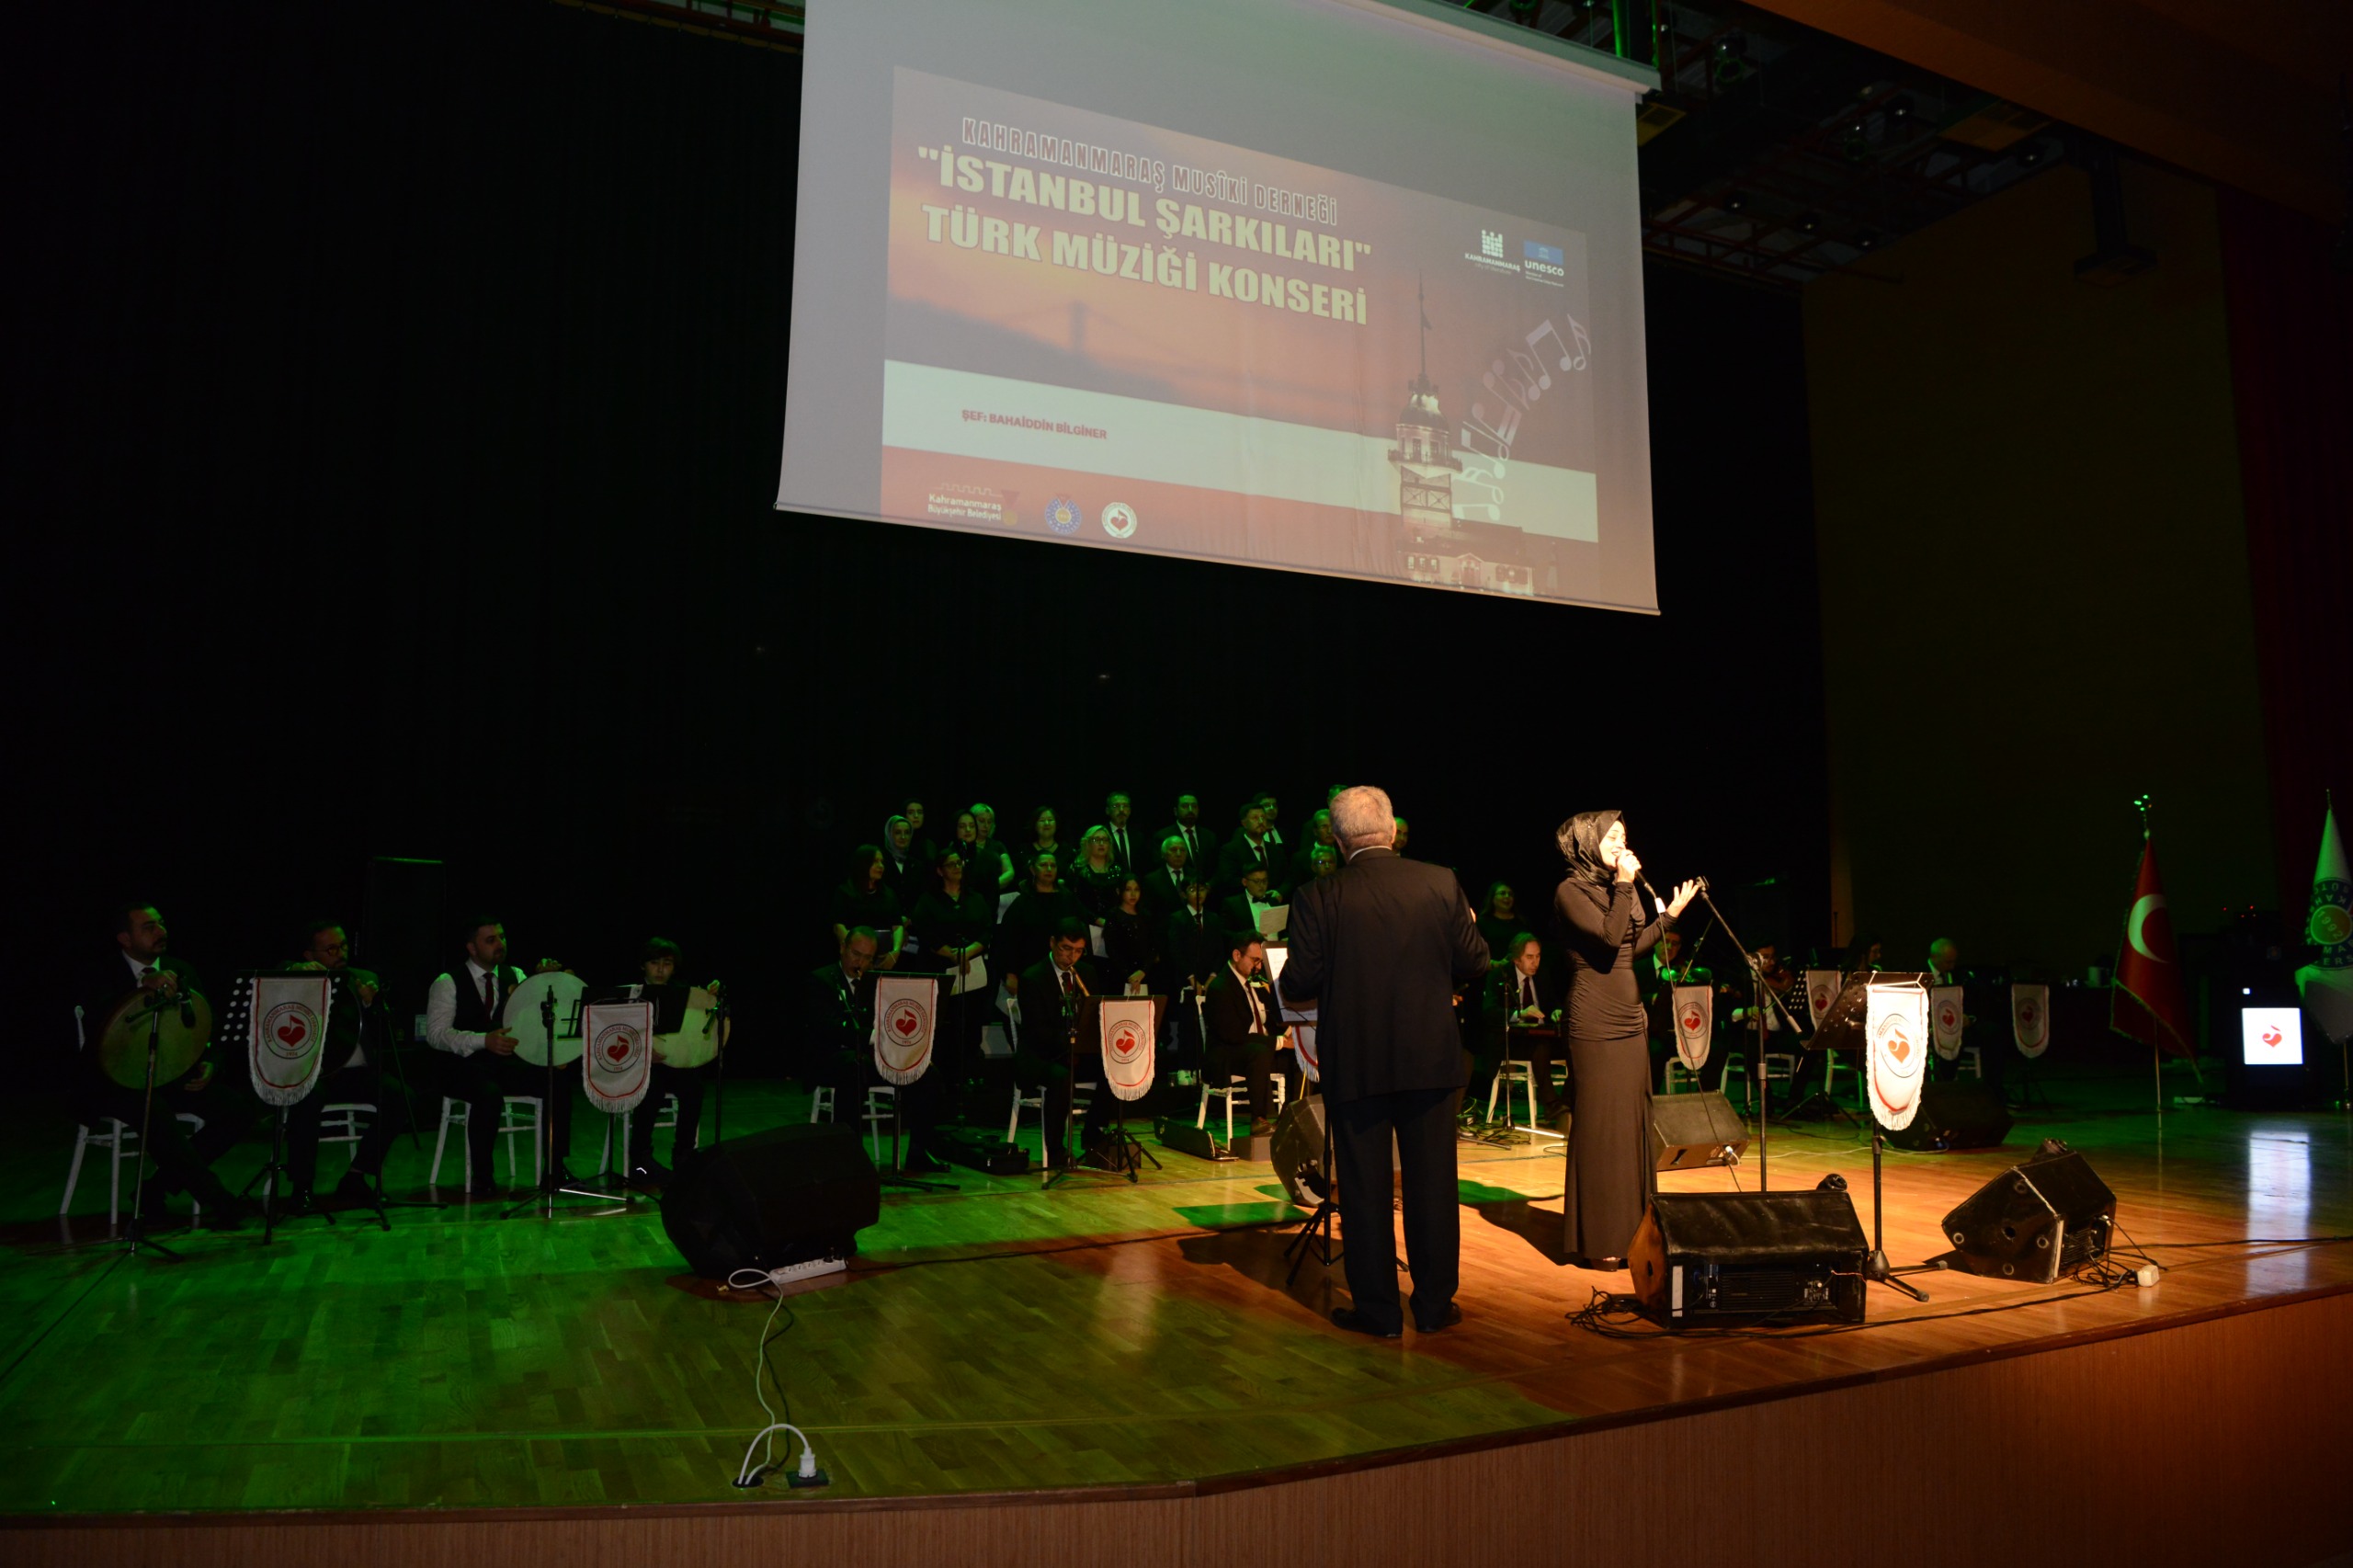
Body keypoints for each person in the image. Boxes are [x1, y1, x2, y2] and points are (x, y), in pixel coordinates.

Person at [1279, 785, 1489, 1338]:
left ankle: (1378, 1312)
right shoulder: (1440, 882)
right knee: (1433, 1185)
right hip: (1430, 1060)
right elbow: (1476, 961)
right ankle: (1434, 1305)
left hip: (1358, 1063)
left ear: (1337, 839)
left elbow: (1298, 982)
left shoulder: (1317, 895)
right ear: (1392, 830)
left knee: (1365, 1188)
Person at [1553, 812, 1699, 1270]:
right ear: (1588, 841)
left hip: (1630, 1019)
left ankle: (1633, 1229)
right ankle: (1599, 1237)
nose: (1621, 843)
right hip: (1595, 1020)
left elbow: (1630, 949)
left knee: (1632, 1126)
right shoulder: (1570, 890)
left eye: (1624, 836)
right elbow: (1608, 937)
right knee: (1602, 1129)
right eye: (1612, 836)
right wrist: (1623, 883)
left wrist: (1670, 916)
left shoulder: (1620, 887)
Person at [72, 901, 252, 1226]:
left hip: (171, 1075)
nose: (160, 931)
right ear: (125, 939)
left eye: (161, 923)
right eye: (148, 927)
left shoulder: (180, 969)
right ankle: (218, 1199)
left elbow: (207, 1026)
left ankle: (155, 1189)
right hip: (115, 1082)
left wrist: (211, 1062)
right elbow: (97, 1023)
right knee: (153, 1111)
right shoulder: (102, 972)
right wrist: (139, 987)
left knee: (237, 1109)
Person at [424, 915, 574, 1196]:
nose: (500, 944)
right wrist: (484, 1041)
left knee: (556, 1080)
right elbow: (436, 1034)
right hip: (462, 1066)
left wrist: (544, 983)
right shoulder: (448, 982)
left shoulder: (515, 975)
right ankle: (483, 1176)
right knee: (488, 1094)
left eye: (502, 937)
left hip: (504, 1063)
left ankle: (555, 1168)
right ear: (472, 947)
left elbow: (534, 1022)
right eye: (491, 940)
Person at [283, 919, 399, 1213]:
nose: (340, 954)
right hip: (317, 1074)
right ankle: (302, 1187)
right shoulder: (298, 977)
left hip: (358, 1072)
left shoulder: (363, 978)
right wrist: (296, 972)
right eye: (331, 949)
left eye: (343, 946)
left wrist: (373, 1006)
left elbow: (386, 1037)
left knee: (401, 1097)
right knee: (306, 1101)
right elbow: (278, 976)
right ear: (310, 955)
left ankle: (356, 1176)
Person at [619, 937, 721, 1187]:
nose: (661, 970)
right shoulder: (630, 993)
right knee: (651, 1089)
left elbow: (695, 1027)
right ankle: (640, 1160)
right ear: (643, 965)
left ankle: (683, 1155)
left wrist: (711, 996)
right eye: (655, 963)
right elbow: (616, 1034)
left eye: (667, 964)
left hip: (670, 1063)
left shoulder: (683, 993)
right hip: (636, 1064)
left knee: (694, 1088)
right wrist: (643, 1051)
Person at [1015, 918, 1115, 1166]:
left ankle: (1093, 1133)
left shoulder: (1087, 973)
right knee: (1060, 1076)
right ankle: (1056, 1149)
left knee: (1115, 1068)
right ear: (1052, 943)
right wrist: (1072, 1042)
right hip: (1041, 1056)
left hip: (1074, 1052)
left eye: (1079, 951)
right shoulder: (1032, 978)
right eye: (1066, 949)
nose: (1072, 957)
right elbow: (1038, 1032)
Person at [909, 845, 995, 1096]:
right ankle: (942, 1081)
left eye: (960, 863)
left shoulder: (975, 898)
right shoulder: (929, 900)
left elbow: (986, 930)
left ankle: (968, 1077)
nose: (958, 868)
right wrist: (952, 955)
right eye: (951, 864)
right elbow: (925, 932)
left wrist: (967, 952)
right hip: (938, 969)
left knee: (971, 1024)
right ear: (939, 871)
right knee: (944, 1026)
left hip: (972, 972)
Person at [1204, 934, 1285, 1137]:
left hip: (1249, 1047)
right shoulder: (1221, 987)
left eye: (1261, 961)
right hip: (1226, 1053)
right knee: (1259, 1052)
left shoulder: (1252, 984)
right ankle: (1259, 1119)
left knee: (1294, 1055)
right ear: (1237, 955)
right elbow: (1233, 1035)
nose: (1258, 967)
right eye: (1255, 960)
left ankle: (1289, 1117)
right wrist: (1276, 1042)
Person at [1479, 934, 1563, 1120]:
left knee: (1575, 1045)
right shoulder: (1500, 976)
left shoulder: (1543, 975)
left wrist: (1557, 1011)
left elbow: (1553, 1002)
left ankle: (1569, 1100)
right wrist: (1520, 1013)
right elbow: (1490, 1012)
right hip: (1512, 1041)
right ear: (1517, 959)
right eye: (1529, 957)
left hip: (1542, 1036)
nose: (1535, 963)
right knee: (1540, 1047)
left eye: (1538, 956)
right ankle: (1551, 1105)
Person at [1158, 872, 1224, 1072]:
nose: (1198, 893)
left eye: (1201, 888)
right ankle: (1186, 1069)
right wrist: (1192, 978)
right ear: (1184, 893)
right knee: (1188, 1027)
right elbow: (1175, 951)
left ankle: (1209, 1070)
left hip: (1210, 982)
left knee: (1212, 1026)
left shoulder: (1213, 918)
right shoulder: (1177, 918)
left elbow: (1220, 949)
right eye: (1193, 889)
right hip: (1185, 981)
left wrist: (1212, 977)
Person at [1642, 928, 1721, 1091]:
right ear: (1655, 943)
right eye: (1665, 942)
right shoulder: (1638, 967)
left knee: (1716, 1049)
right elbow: (1628, 999)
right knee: (1655, 1051)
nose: (1669, 947)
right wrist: (1654, 998)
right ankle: (1651, 1099)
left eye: (1675, 943)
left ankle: (1704, 1097)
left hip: (1683, 1033)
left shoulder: (1684, 970)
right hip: (1652, 1033)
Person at [996, 851, 1086, 991]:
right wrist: (1010, 974)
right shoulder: (1022, 902)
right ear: (1033, 869)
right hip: (1029, 970)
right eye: (1043, 865)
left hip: (1064, 970)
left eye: (1053, 866)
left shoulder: (1068, 899)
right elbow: (1008, 940)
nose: (1049, 869)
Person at [830, 845, 905, 971]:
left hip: (883, 960)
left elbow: (897, 926)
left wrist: (895, 952)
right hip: (855, 962)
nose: (881, 866)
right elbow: (838, 926)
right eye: (875, 862)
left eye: (882, 862)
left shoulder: (889, 894)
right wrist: (858, 955)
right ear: (863, 864)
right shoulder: (845, 892)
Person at [1101, 875, 1154, 996]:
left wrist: (1143, 971)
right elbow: (1112, 949)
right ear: (1119, 891)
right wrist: (1129, 975)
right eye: (1128, 889)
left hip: (1144, 974)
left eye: (1137, 889)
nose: (1133, 894)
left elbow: (1153, 946)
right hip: (1120, 974)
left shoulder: (1146, 916)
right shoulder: (1114, 915)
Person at [1216, 802, 1281, 893]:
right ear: (1244, 824)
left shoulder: (1276, 850)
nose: (1261, 821)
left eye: (1263, 817)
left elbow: (1285, 877)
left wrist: (1280, 892)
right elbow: (1229, 880)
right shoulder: (1230, 850)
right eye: (1255, 818)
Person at [1066, 825, 1127, 923]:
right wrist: (1096, 920)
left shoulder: (1117, 870)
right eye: (1096, 840)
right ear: (1088, 843)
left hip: (1114, 923)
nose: (1101, 844)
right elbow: (1072, 902)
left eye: (1105, 840)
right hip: (1084, 924)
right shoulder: (1077, 870)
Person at [1216, 864, 1283, 946]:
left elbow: (1282, 931)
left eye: (1264, 881)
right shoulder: (1233, 904)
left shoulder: (1274, 902)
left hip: (1276, 950)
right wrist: (1249, 937)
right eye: (1257, 881)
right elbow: (1223, 933)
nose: (1261, 885)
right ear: (1245, 882)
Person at [1155, 794, 1217, 871]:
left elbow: (1217, 867)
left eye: (1194, 806)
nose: (1190, 810)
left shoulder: (1209, 836)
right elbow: (1160, 868)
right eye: (1185, 806)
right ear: (1175, 811)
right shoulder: (1163, 836)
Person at [1141, 834, 1195, 916]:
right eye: (1173, 850)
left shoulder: (1195, 875)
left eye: (1182, 850)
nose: (1179, 854)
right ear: (1164, 854)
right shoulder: (1152, 880)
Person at [880, 816, 926, 911]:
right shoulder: (880, 862)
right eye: (898, 832)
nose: (903, 837)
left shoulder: (917, 865)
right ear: (889, 834)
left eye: (907, 833)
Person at [969, 802, 1017, 892]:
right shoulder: (963, 845)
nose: (986, 825)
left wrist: (991, 887)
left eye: (989, 822)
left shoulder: (998, 846)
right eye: (982, 821)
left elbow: (1009, 872)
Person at [1287, 809, 1339, 886]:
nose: (1329, 831)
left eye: (1332, 826)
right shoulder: (1300, 858)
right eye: (1324, 827)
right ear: (1315, 831)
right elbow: (1292, 884)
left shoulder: (1344, 855)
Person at [1475, 882, 1528, 958]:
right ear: (1492, 898)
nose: (1507, 896)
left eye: (1510, 894)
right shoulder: (1483, 923)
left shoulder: (1521, 922)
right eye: (1502, 893)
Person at [1104, 791, 1142, 872]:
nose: (1121, 810)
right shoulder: (1101, 835)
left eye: (1125, 806)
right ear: (1107, 810)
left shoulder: (1139, 836)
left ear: (1130, 811)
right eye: (1116, 806)